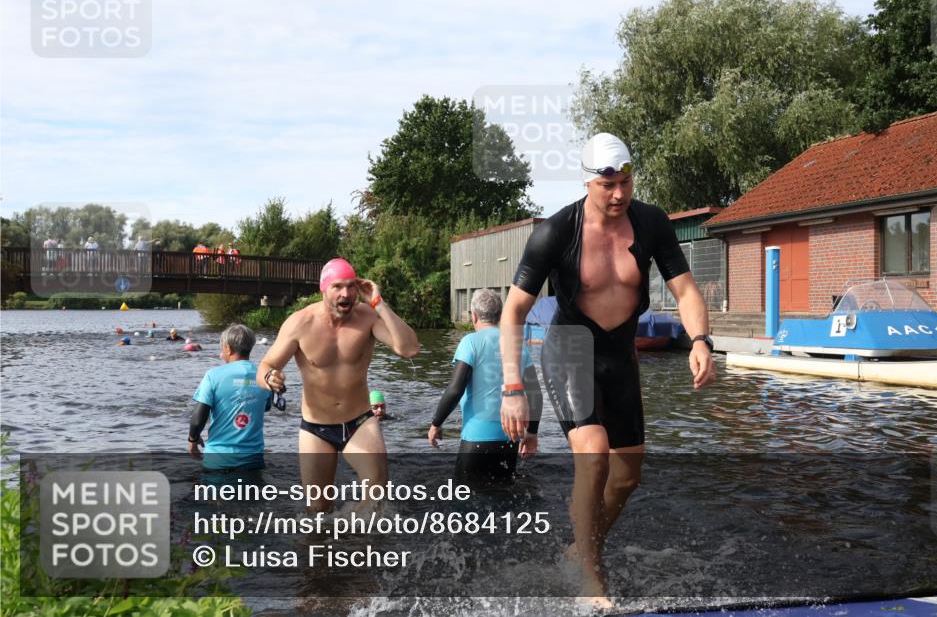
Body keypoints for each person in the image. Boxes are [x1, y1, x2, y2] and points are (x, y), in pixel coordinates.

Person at [498, 132, 716, 606]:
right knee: (593, 452)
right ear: (587, 183)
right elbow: (512, 311)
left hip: (619, 354)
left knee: (627, 476)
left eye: (626, 181)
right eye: (607, 184)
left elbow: (686, 291)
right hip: (570, 347)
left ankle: (582, 547)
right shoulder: (556, 232)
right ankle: (591, 581)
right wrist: (513, 386)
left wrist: (700, 340)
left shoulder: (652, 223)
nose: (619, 194)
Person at [256, 257, 420, 512]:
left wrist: (378, 303)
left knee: (377, 492)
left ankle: (350, 535)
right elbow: (265, 366)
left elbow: (409, 349)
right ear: (324, 288)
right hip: (316, 428)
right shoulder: (300, 323)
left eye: (351, 286)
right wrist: (269, 379)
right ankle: (331, 544)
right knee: (318, 509)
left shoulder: (368, 317)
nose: (346, 293)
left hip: (359, 422)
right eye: (338, 287)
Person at [427, 289, 542, 484]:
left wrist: (436, 423)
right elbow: (535, 394)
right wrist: (532, 433)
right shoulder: (517, 344)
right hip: (510, 438)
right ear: (500, 315)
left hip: (476, 438)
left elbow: (455, 389)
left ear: (473, 316)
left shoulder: (470, 342)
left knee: (464, 500)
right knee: (503, 498)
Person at [188, 324, 272, 471]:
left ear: (228, 348)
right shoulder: (264, 376)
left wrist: (193, 440)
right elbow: (267, 406)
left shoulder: (213, 375)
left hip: (218, 461)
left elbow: (197, 419)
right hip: (253, 461)